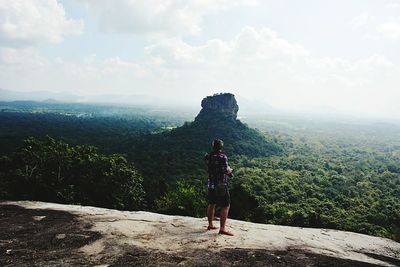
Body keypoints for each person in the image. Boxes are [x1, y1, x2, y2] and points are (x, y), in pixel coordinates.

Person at [204, 139, 234, 236]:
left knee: (211, 203)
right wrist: (230, 171)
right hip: (221, 184)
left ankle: (210, 224)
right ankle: (222, 228)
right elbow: (226, 170)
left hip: (211, 183)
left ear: (213, 146)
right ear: (221, 146)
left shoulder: (208, 156)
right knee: (225, 206)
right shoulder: (222, 157)